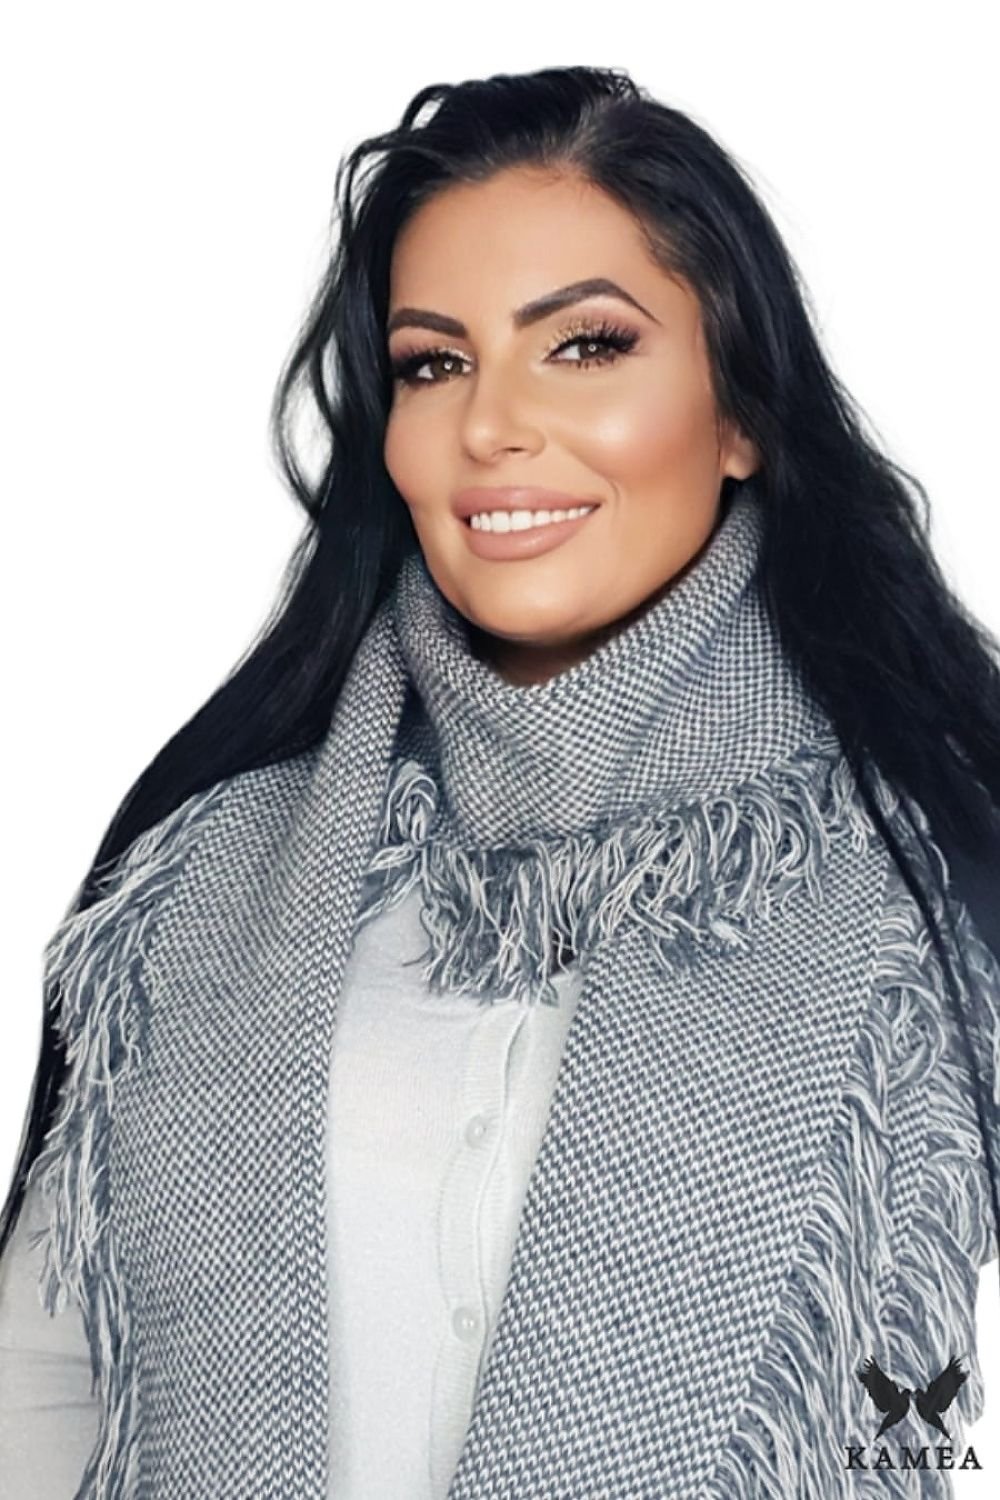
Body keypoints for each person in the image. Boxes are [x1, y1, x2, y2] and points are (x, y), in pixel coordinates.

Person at [1, 63, 998, 1500]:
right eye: (434, 363)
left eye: (585, 346)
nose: (489, 426)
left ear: (741, 417)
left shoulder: (924, 890)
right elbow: (45, 1381)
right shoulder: (206, 878)